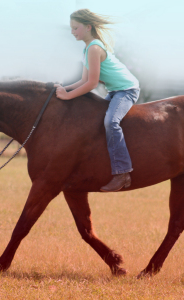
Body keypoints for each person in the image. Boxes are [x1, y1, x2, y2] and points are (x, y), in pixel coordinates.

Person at [55, 9, 140, 192]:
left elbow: (92, 83)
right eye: (71, 28)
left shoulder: (94, 48)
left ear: (88, 27)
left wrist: (68, 96)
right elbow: (83, 80)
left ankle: (123, 173)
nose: (72, 32)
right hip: (114, 91)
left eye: (75, 28)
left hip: (126, 91)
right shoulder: (88, 48)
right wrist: (63, 88)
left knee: (111, 121)